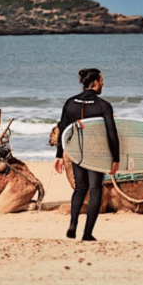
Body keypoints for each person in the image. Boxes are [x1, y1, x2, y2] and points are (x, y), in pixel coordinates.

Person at [54, 68, 120, 241]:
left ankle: (73, 224)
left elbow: (63, 130)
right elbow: (112, 134)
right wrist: (116, 158)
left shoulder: (70, 103)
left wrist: (59, 155)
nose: (103, 84)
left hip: (77, 152)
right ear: (96, 82)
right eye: (102, 80)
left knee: (80, 188)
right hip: (96, 154)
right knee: (95, 190)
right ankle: (87, 233)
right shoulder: (103, 105)